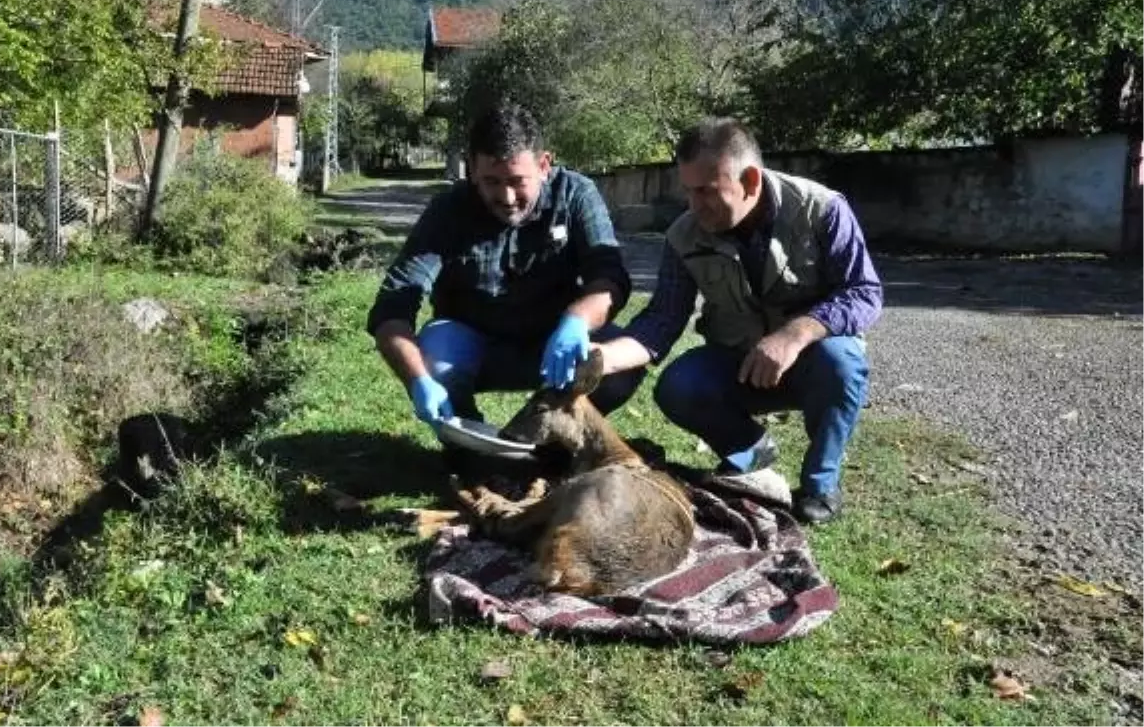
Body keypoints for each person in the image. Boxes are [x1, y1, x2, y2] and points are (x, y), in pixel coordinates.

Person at [595, 117, 883, 525]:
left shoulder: (822, 209)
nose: (694, 206)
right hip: (739, 361)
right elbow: (663, 317)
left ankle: (821, 484)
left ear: (750, 180)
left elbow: (864, 293)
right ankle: (752, 454)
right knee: (678, 386)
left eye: (706, 192)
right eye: (688, 192)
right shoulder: (684, 235)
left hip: (811, 363)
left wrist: (794, 334)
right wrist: (603, 357)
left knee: (842, 362)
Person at [366, 102, 644, 442]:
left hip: (556, 346)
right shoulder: (449, 211)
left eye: (517, 181)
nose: (507, 196)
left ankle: (556, 435)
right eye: (491, 182)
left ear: (544, 165)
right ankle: (468, 442)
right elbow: (393, 306)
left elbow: (609, 277)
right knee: (434, 355)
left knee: (621, 360)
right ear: (472, 171)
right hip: (474, 344)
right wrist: (417, 380)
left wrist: (577, 321)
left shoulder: (575, 194)